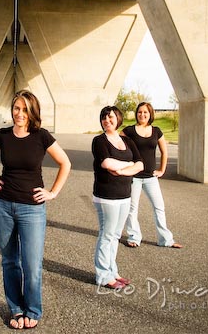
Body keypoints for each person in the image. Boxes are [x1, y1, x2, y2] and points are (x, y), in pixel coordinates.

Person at [0, 90, 71, 330]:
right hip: (2, 207)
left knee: (32, 265)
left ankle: (32, 309)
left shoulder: (41, 136)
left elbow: (65, 162)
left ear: (32, 111)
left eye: (24, 109)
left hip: (32, 210)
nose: (19, 113)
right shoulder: (2, 135)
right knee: (10, 261)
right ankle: (16, 309)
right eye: (16, 108)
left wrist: (52, 192)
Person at [92, 106, 143, 289]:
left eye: (111, 117)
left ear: (118, 119)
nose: (107, 120)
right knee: (107, 235)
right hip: (106, 196)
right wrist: (128, 165)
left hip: (124, 195)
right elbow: (106, 162)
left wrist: (121, 169)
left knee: (115, 236)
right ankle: (103, 276)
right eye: (104, 118)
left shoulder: (127, 140)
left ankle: (112, 271)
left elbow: (139, 164)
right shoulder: (99, 141)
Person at [123, 102, 182, 248]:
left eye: (145, 112)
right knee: (132, 208)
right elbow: (117, 147)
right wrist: (125, 167)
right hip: (134, 177)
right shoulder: (129, 131)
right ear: (136, 114)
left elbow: (164, 152)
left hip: (150, 177)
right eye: (139, 112)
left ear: (150, 114)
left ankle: (166, 240)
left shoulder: (156, 131)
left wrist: (162, 170)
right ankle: (134, 237)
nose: (142, 115)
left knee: (159, 207)